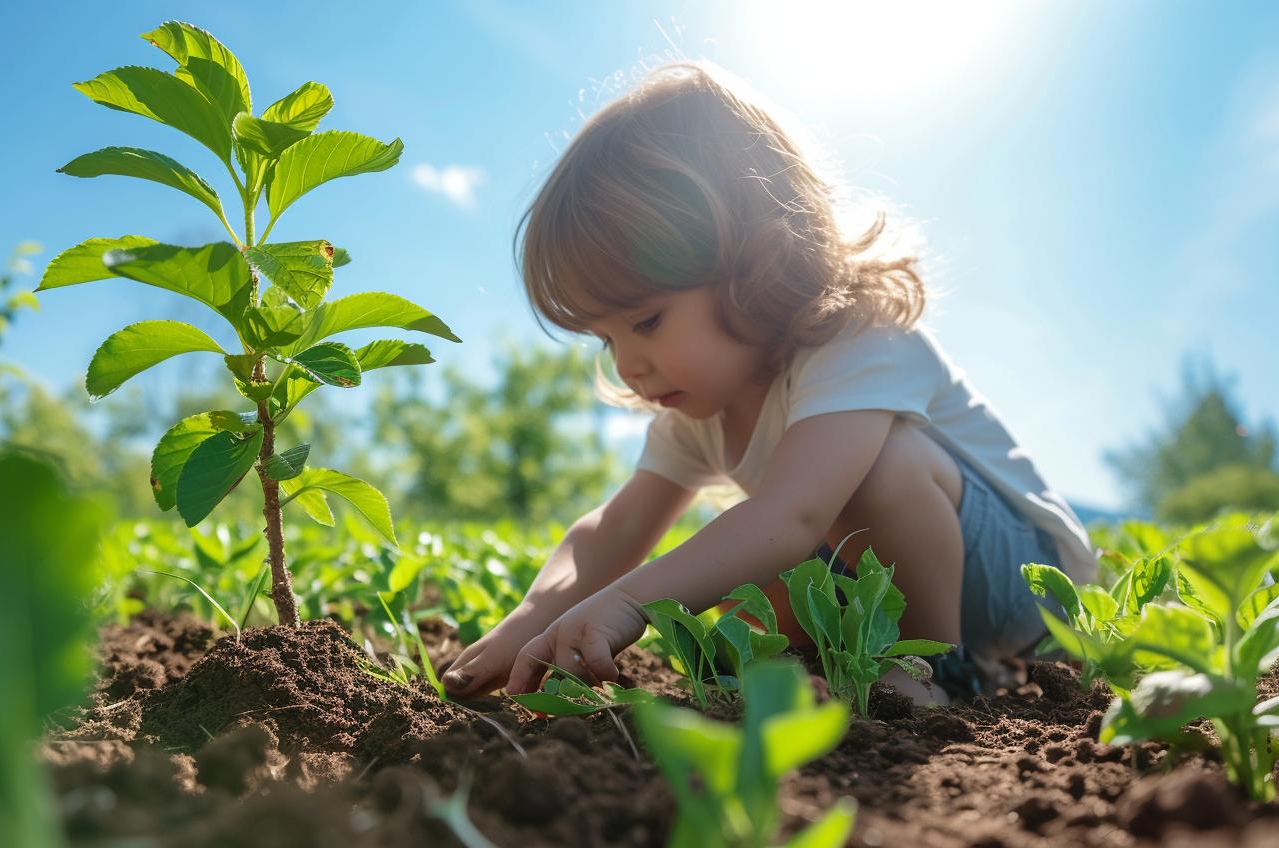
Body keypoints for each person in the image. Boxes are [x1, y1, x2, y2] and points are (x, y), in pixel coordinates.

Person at [439, 61, 1095, 705]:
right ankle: (849, 662)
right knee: (742, 577)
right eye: (608, 339)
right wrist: (529, 620)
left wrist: (631, 601)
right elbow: (615, 527)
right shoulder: (698, 413)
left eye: (647, 319)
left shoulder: (859, 338)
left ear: (755, 260)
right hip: (892, 579)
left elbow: (792, 513)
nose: (626, 365)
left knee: (867, 473)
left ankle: (938, 670)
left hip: (1022, 588)